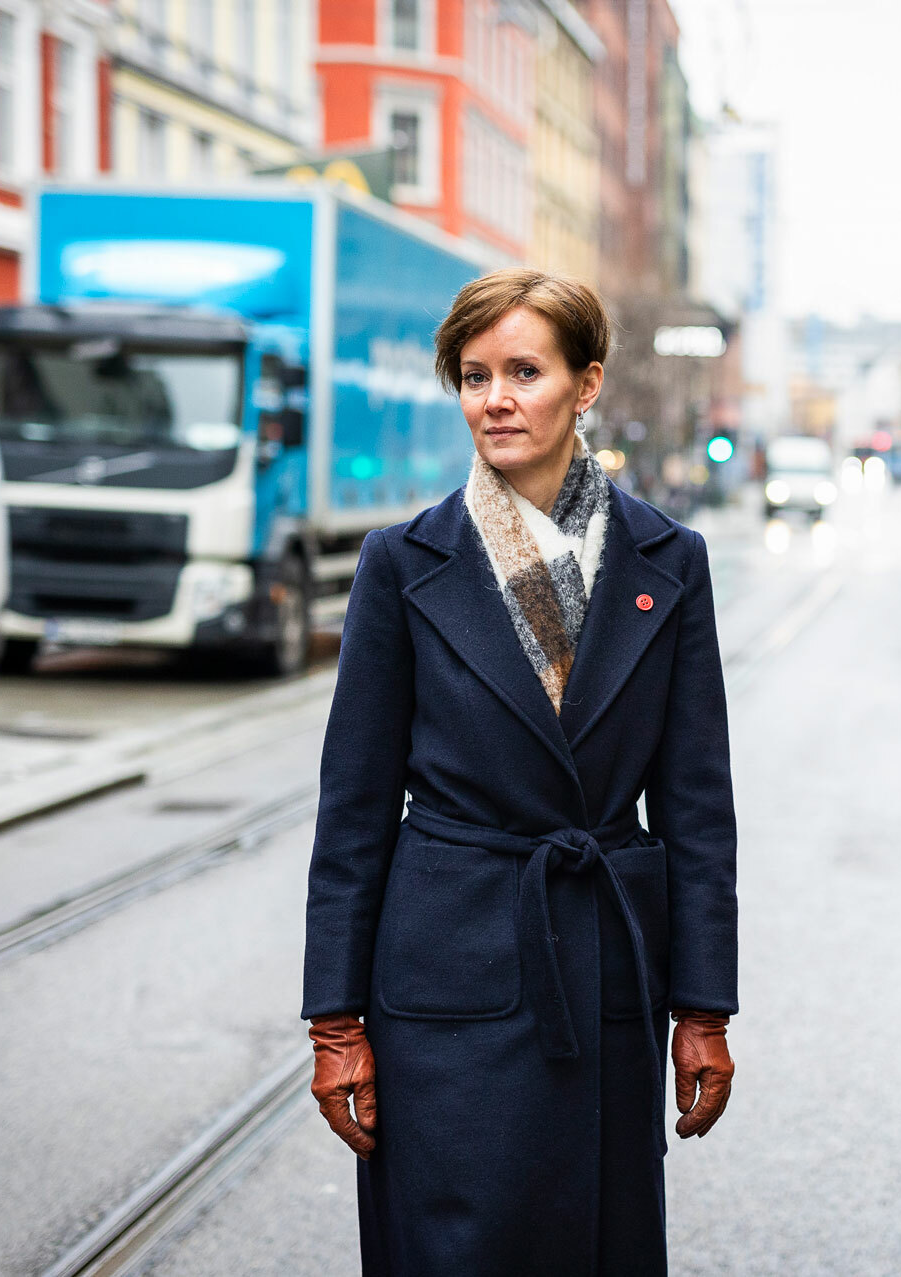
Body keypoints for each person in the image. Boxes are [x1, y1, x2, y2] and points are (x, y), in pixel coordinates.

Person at [301, 268, 739, 1275]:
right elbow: (354, 812)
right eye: (474, 374)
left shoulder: (669, 562)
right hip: (443, 984)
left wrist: (702, 1007)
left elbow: (697, 807)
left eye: (524, 371)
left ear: (585, 384)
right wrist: (334, 1020)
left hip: (603, 972)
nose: (495, 397)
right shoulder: (403, 564)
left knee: (594, 1245)